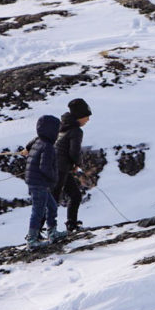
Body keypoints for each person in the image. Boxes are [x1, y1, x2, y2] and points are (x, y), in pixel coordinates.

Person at [25, 114, 67, 247]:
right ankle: (32, 240)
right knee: (38, 210)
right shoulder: (48, 146)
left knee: (51, 206)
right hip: (39, 183)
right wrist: (54, 178)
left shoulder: (38, 141)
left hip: (35, 181)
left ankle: (52, 232)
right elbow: (45, 167)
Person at [53, 98, 92, 233]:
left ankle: (71, 225)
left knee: (73, 195)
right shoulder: (76, 131)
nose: (87, 119)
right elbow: (74, 151)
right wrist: (78, 164)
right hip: (62, 168)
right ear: (79, 116)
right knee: (56, 198)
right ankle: (44, 230)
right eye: (86, 116)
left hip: (57, 166)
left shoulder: (62, 127)